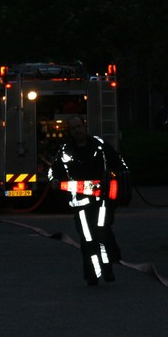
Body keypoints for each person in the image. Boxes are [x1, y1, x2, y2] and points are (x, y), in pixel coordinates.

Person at [49, 115, 130, 285]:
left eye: (78, 126)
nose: (77, 130)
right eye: (73, 128)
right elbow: (53, 170)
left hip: (102, 201)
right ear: (70, 131)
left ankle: (107, 268)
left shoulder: (99, 145)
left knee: (102, 232)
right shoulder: (65, 150)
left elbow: (118, 162)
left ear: (84, 126)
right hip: (80, 202)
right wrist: (54, 180)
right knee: (87, 238)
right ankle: (92, 274)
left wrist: (121, 174)